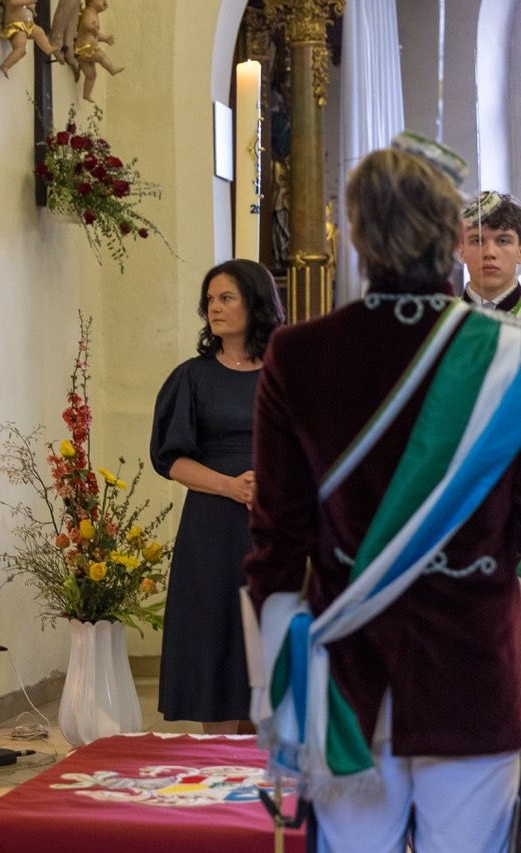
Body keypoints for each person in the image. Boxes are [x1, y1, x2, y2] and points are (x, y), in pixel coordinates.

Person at [245, 142, 521, 851]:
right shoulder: (507, 357)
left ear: (358, 236)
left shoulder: (298, 354)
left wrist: (273, 694)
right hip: (474, 669)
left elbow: (276, 547)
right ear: (452, 236)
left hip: (346, 681)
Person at [149, 259, 283, 734]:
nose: (215, 309)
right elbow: (170, 459)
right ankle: (218, 763)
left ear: (255, 302)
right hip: (212, 527)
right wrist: (230, 486)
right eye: (210, 300)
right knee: (215, 634)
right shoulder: (192, 377)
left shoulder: (288, 373)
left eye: (227, 298)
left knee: (271, 637)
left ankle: (270, 764)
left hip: (277, 525)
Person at [459, 190, 521, 312]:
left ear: (520, 251)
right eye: (477, 241)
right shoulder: (440, 320)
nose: (489, 253)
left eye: (503, 241)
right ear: (460, 251)